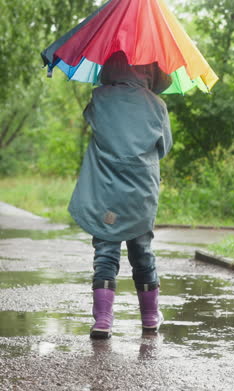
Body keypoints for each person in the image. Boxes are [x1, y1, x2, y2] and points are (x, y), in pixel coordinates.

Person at [68, 51, 172, 339]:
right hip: (140, 192)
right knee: (142, 251)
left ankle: (103, 320)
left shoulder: (100, 99)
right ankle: (150, 317)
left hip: (106, 192)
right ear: (149, 71)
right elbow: (164, 147)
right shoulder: (157, 105)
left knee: (105, 250)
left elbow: (91, 121)